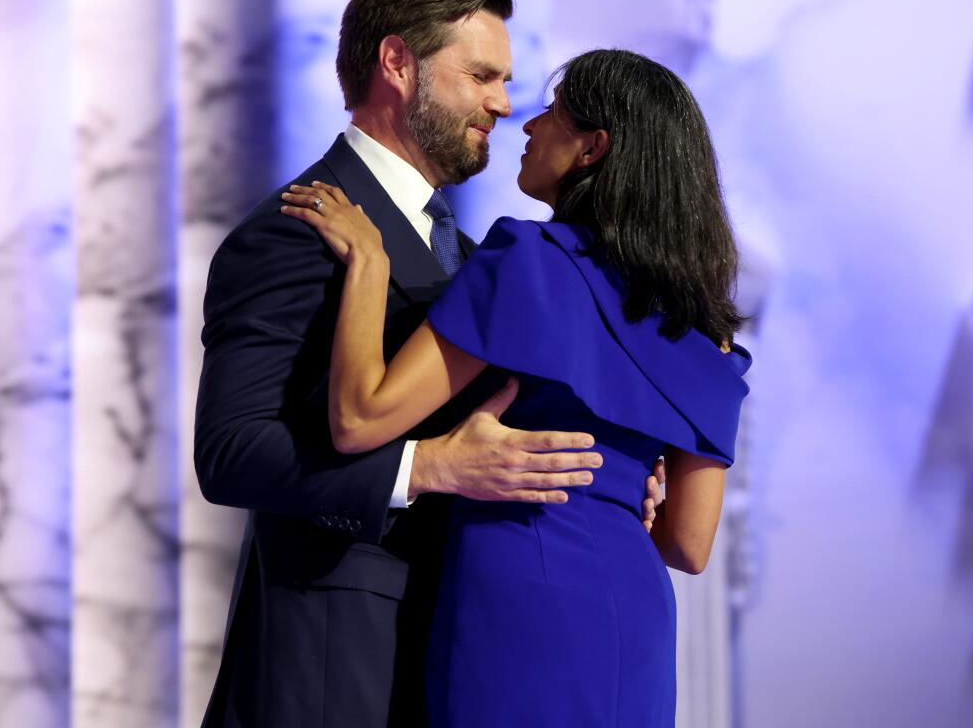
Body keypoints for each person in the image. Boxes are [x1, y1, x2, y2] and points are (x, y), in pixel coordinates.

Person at [193, 0, 661, 727]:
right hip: (335, 663)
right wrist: (428, 466)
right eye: (481, 75)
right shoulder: (292, 232)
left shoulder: (478, 261)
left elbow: (503, 432)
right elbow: (233, 453)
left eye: (505, 81)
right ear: (398, 64)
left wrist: (614, 473)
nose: (503, 106)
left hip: (463, 653)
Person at [278, 48, 752, 727]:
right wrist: (625, 493)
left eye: (553, 113)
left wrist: (370, 263)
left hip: (522, 583)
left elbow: (358, 418)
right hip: (633, 611)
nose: (527, 126)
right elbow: (687, 546)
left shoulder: (531, 262)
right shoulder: (705, 331)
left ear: (594, 148)